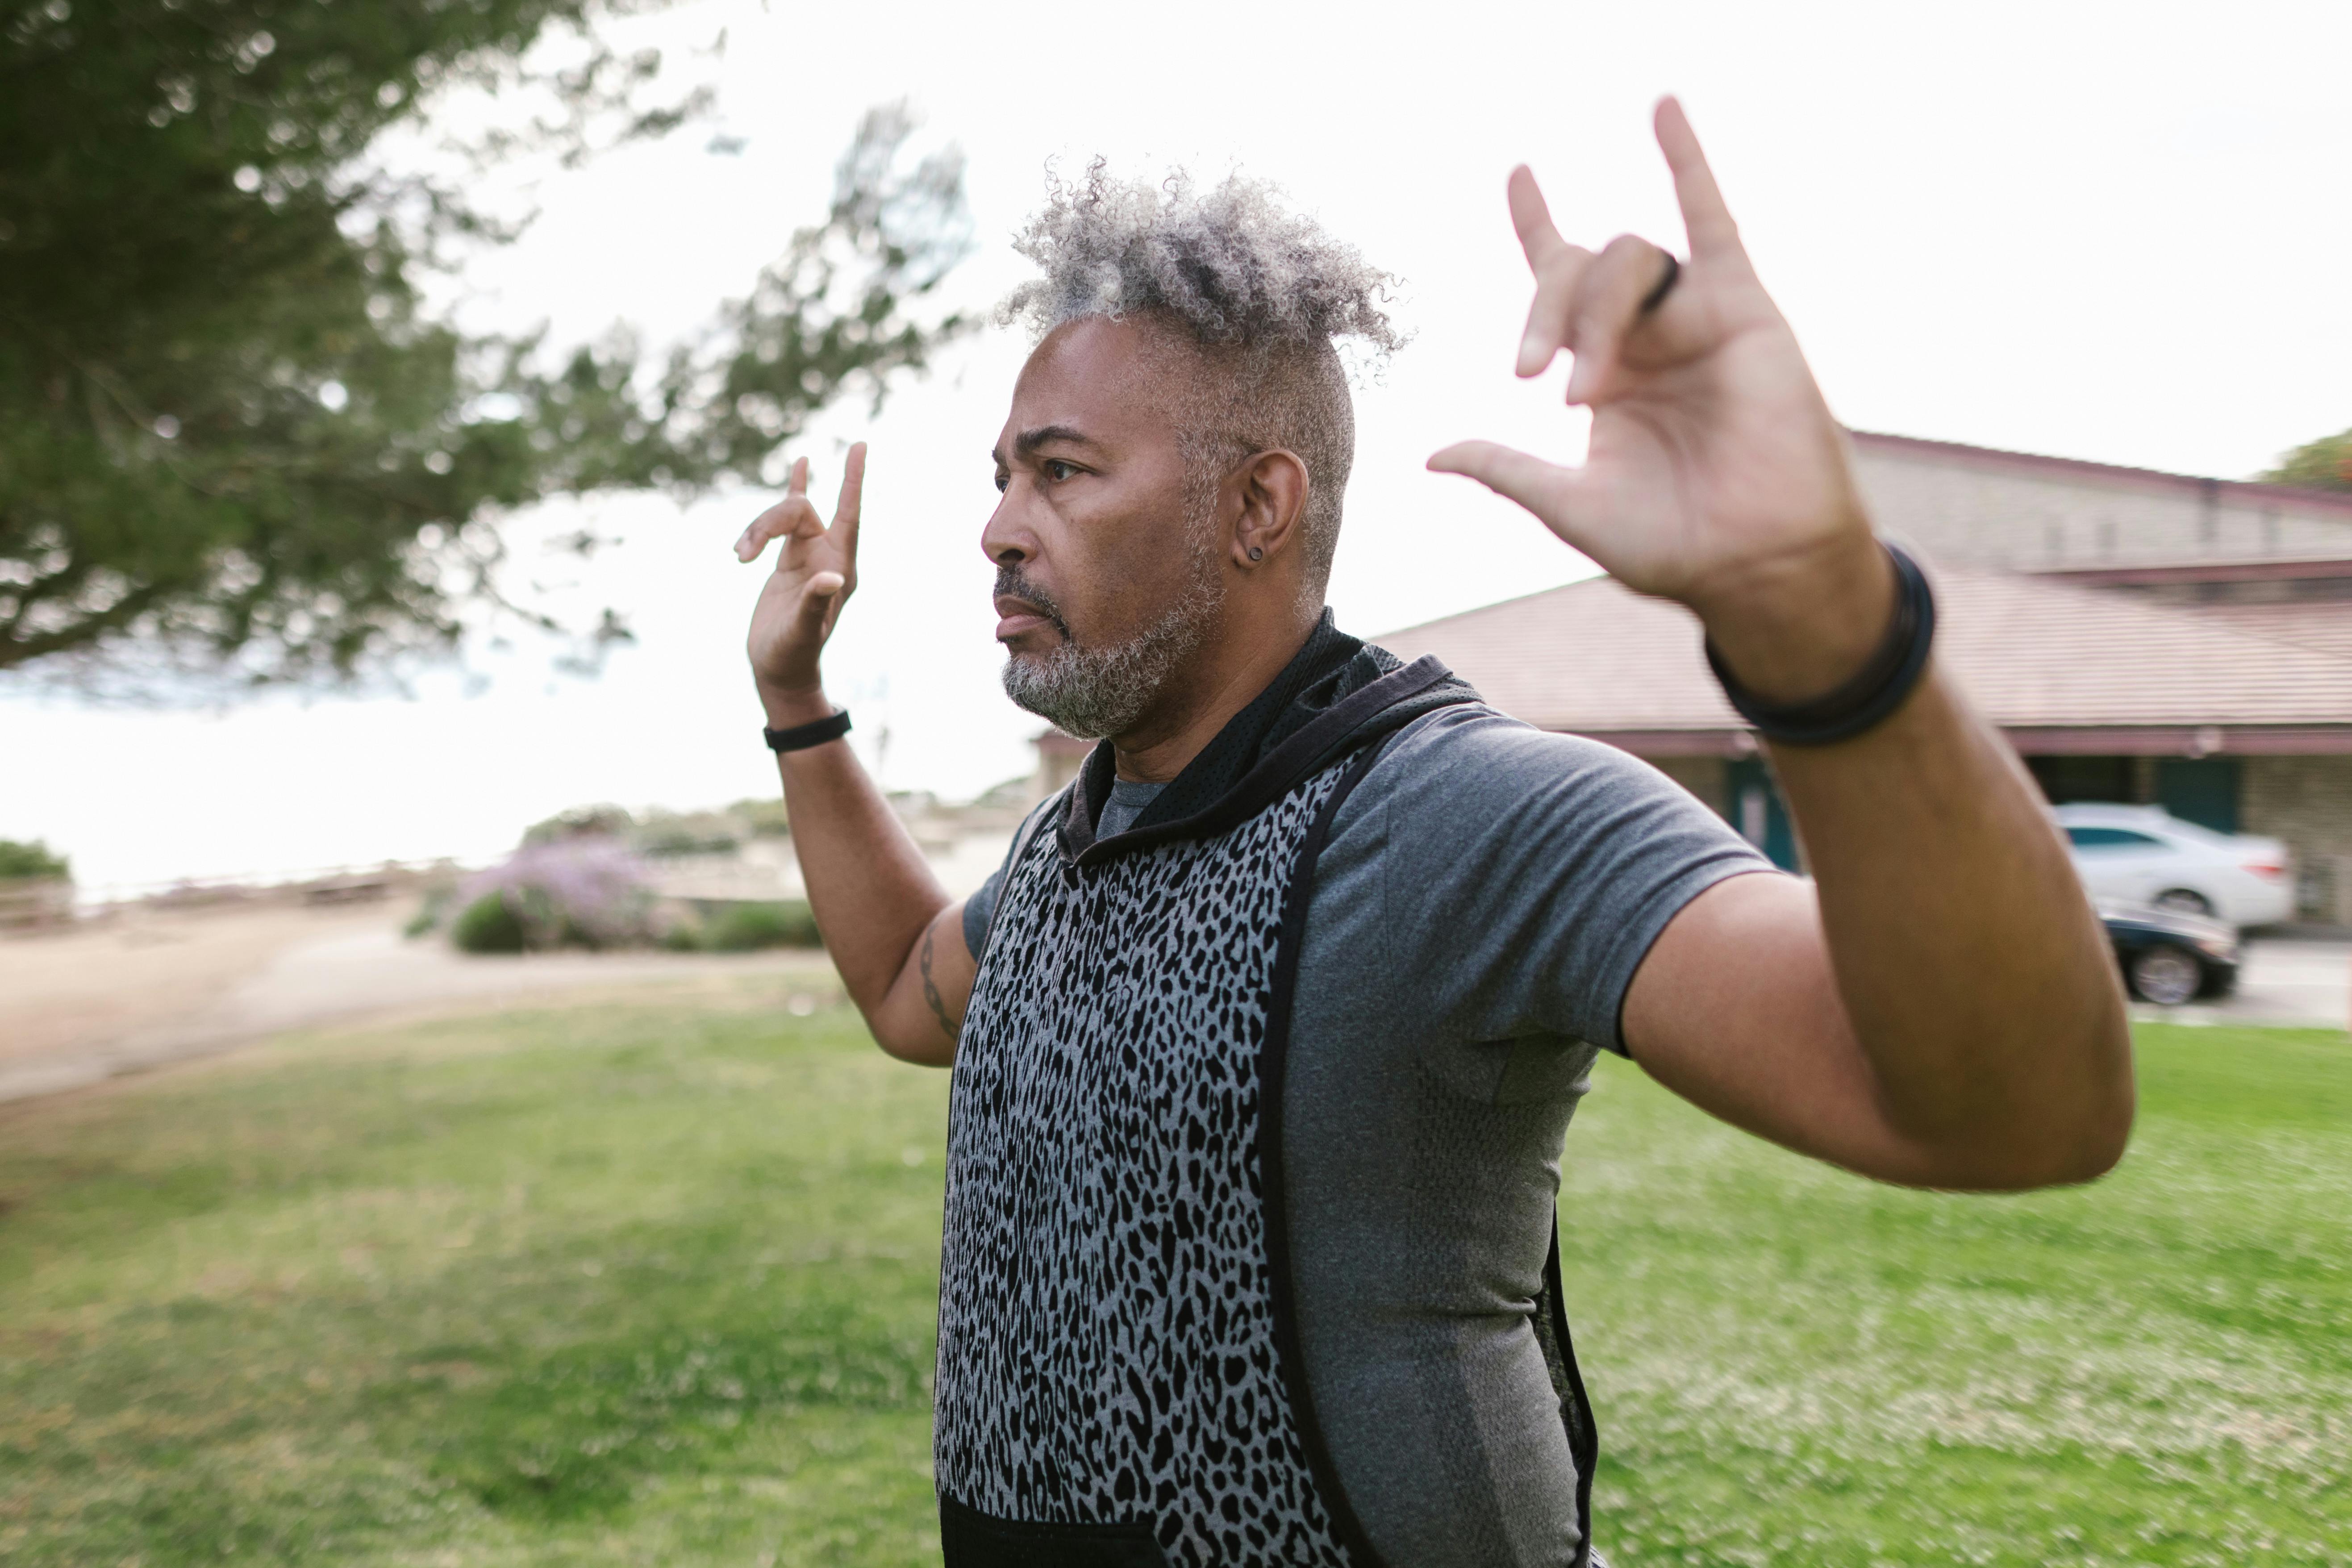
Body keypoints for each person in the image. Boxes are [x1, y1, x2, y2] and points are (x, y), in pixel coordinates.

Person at [731, 100, 2132, 1568]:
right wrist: (796, 701)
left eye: (1062, 471)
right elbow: (906, 987)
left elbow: (2016, 1112)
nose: (999, 528)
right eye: (1003, 477)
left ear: (1257, 506)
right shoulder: (1078, 838)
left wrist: (1822, 621)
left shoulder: (1463, 816)